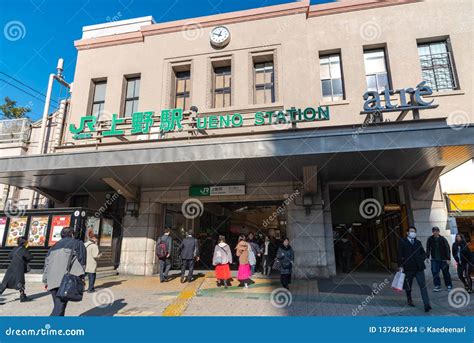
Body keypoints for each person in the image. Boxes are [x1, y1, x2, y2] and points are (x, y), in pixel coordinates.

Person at [43, 227, 86, 316]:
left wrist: (45, 280)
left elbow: (46, 264)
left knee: (58, 306)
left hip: (52, 280)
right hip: (66, 280)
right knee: (59, 308)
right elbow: (82, 261)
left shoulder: (53, 247)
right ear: (72, 234)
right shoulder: (78, 243)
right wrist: (82, 277)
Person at [397, 227, 431, 312]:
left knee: (423, 286)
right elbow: (399, 254)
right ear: (407, 233)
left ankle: (427, 304)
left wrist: (421, 258)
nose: (413, 233)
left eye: (414, 232)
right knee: (408, 286)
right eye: (411, 231)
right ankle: (409, 299)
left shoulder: (418, 242)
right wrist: (400, 265)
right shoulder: (402, 242)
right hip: (408, 268)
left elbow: (423, 253)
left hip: (419, 268)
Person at [0, 236, 32, 302]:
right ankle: (22, 297)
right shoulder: (24, 249)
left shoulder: (15, 249)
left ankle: (23, 296)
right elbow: (30, 257)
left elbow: (10, 256)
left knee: (5, 282)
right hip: (19, 268)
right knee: (20, 282)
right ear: (24, 242)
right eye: (26, 242)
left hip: (11, 268)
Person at [426, 226, 452, 291]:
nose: (435, 232)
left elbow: (447, 249)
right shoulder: (430, 239)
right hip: (434, 259)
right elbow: (428, 248)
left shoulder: (443, 239)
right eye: (434, 231)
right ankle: (437, 285)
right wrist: (427, 257)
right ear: (432, 232)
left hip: (443, 259)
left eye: (437, 231)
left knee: (446, 273)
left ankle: (449, 285)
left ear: (439, 232)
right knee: (435, 273)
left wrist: (448, 259)